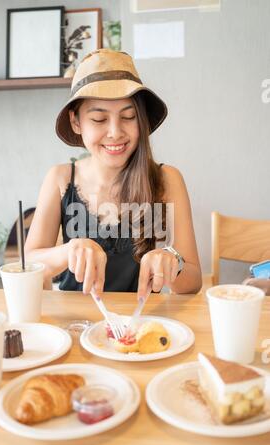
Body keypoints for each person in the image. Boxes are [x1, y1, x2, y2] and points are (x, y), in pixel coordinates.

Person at [24, 49, 202, 299]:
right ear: (76, 122)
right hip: (75, 323)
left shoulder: (167, 179)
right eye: (99, 119)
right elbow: (27, 264)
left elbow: (193, 281)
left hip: (138, 323)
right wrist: (69, 250)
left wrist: (172, 261)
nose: (115, 132)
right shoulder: (60, 179)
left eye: (128, 116)